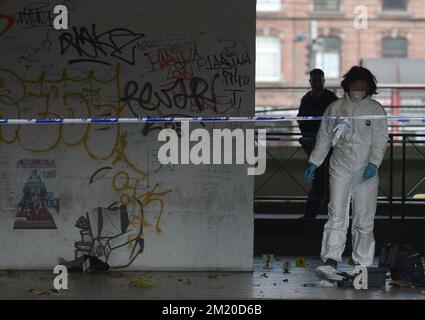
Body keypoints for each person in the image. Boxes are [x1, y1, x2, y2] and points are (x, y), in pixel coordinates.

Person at [304, 66, 388, 281]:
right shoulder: (335, 108)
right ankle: (331, 260)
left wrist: (373, 163)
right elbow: (324, 137)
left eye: (363, 83)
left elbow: (380, 140)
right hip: (340, 163)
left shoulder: (376, 109)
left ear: (369, 86)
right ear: (347, 84)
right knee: (337, 212)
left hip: (365, 167)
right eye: (355, 82)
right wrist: (314, 161)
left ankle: (363, 265)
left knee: (364, 216)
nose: (359, 87)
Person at [298, 69, 338, 219]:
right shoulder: (309, 99)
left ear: (323, 81)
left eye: (319, 80)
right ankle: (329, 215)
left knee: (322, 179)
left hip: (328, 144)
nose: (317, 83)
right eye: (315, 80)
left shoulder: (330, 98)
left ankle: (311, 214)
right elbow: (301, 119)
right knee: (323, 179)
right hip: (314, 143)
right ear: (310, 82)